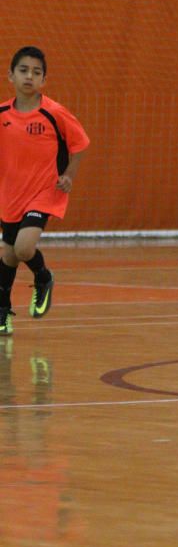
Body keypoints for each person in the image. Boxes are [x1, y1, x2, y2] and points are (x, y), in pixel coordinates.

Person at [0, 47, 90, 335]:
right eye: (23, 70)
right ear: (10, 75)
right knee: (9, 255)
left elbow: (80, 145)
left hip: (45, 191)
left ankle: (43, 276)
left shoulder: (54, 113)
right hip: (11, 194)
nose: (29, 76)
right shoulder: (2, 113)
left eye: (36, 72)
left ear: (44, 80)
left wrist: (68, 176)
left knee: (24, 247)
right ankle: (3, 310)